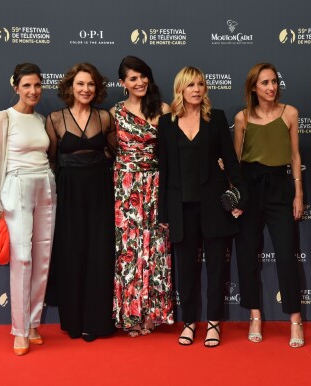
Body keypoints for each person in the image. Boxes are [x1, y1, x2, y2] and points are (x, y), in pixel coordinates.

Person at [157, 66, 247, 348]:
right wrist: (164, 212)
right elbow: (165, 171)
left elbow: (231, 161)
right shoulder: (166, 123)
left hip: (214, 206)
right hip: (181, 208)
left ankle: (214, 323)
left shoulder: (216, 118)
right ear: (180, 89)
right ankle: (189, 322)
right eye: (190, 85)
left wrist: (240, 196)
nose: (196, 89)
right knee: (186, 271)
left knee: (217, 269)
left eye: (200, 84)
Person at [0, 63, 56, 356]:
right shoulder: (5, 118)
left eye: (37, 85)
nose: (33, 91)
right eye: (26, 85)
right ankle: (19, 329)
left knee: (42, 257)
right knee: (22, 258)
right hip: (16, 189)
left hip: (45, 187)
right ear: (16, 87)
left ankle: (34, 323)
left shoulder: (40, 120)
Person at [232, 63, 305, 347]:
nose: (271, 87)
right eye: (264, 83)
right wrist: (236, 197)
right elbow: (236, 163)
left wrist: (298, 193)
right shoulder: (242, 119)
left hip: (280, 188)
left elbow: (296, 156)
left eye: (274, 81)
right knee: (248, 255)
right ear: (253, 87)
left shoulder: (290, 113)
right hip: (250, 190)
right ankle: (254, 315)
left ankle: (295, 320)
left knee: (286, 255)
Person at [45, 63, 117, 342]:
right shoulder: (55, 119)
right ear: (70, 87)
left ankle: (95, 322)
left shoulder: (105, 118)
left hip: (99, 192)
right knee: (72, 253)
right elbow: (52, 160)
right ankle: (73, 322)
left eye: (90, 84)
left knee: (98, 254)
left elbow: (115, 152)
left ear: (97, 88)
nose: (86, 89)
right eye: (80, 84)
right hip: (69, 193)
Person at [110, 56, 173, 337]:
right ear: (122, 83)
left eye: (143, 76)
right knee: (129, 251)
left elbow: (171, 154)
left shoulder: (163, 109)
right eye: (133, 78)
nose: (140, 82)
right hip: (124, 187)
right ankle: (129, 314)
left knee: (154, 247)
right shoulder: (115, 113)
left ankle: (151, 313)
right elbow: (110, 151)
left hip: (155, 184)